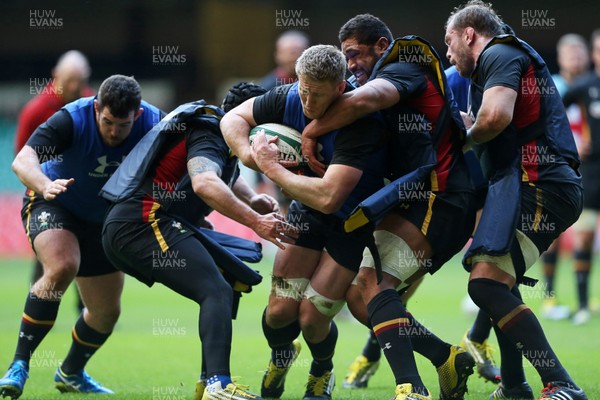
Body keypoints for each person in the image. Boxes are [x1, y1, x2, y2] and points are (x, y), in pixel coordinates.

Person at [300, 14, 477, 400]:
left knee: (373, 284)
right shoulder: (385, 79)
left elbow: (368, 98)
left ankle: (411, 388)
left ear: (382, 46)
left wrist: (311, 130)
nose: (350, 67)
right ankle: (444, 356)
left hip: (441, 196)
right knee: (360, 297)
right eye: (345, 59)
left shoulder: (405, 66)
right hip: (415, 199)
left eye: (355, 55)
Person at [100, 82, 297, 400]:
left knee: (229, 280)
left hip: (150, 222)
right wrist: (256, 221)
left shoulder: (220, 134)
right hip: (141, 222)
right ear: (246, 118)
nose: (271, 133)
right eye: (264, 122)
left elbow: (218, 172)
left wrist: (253, 200)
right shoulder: (209, 132)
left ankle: (208, 385)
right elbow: (205, 182)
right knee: (215, 288)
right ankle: (219, 384)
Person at [221, 44, 387, 400]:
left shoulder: (361, 119)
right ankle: (282, 356)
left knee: (312, 318)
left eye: (319, 95)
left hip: (350, 222)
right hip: (306, 213)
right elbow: (231, 119)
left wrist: (271, 168)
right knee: (280, 312)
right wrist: (251, 155)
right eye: (304, 90)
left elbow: (330, 197)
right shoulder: (287, 96)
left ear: (341, 88)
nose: (308, 103)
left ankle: (322, 371)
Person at [445, 1, 587, 399]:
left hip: (540, 184)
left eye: (449, 41)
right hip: (529, 184)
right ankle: (514, 385)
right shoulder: (500, 57)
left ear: (469, 34)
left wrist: (465, 138)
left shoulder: (500, 53)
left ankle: (561, 384)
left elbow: (495, 118)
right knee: (500, 285)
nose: (448, 52)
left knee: (485, 285)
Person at [0, 75, 163, 399]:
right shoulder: (71, 119)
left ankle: (71, 372)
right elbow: (23, 160)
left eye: (123, 125)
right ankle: (18, 365)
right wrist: (45, 185)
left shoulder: (156, 124)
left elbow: (190, 166)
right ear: (96, 107)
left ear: (138, 116)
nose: (114, 132)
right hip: (55, 201)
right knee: (62, 266)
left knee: (105, 312)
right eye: (107, 122)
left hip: (105, 220)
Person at [342, 63, 501, 392]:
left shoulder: (500, 76)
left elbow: (497, 129)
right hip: (427, 197)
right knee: (376, 292)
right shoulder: (447, 78)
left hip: (475, 191)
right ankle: (435, 355)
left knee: (496, 274)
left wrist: (466, 136)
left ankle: (482, 349)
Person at [14, 50, 94, 310]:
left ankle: (85, 306)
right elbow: (22, 155)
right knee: (47, 250)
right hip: (47, 194)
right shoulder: (35, 110)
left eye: (78, 81)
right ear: (56, 75)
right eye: (69, 80)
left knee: (86, 247)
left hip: (83, 190)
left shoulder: (92, 103)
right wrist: (41, 186)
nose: (73, 86)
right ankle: (38, 302)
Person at [541, 33, 591, 322]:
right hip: (559, 168)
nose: (575, 58)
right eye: (569, 54)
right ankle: (549, 297)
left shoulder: (593, 87)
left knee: (586, 233)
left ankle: (585, 298)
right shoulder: (554, 87)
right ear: (560, 59)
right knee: (554, 233)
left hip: (591, 168)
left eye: (579, 53)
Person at [560, 30, 600, 326]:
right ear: (594, 54)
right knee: (584, 236)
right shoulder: (585, 87)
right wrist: (572, 144)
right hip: (593, 171)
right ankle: (583, 304)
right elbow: (553, 112)